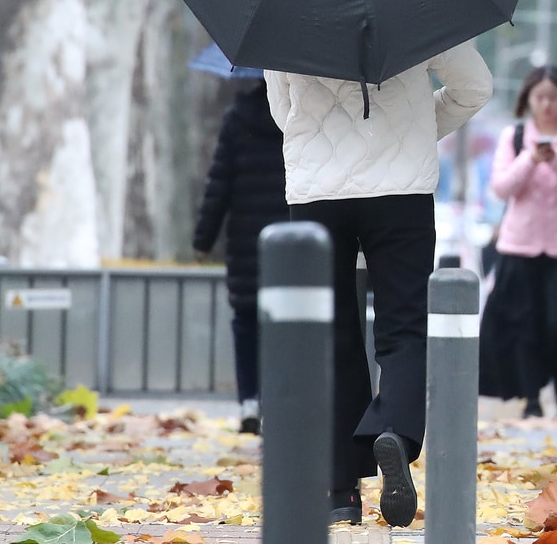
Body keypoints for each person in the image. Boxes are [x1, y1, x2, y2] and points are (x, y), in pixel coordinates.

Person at [266, 42, 492, 529]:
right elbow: (474, 87)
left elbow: (284, 111)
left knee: (328, 336)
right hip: (401, 189)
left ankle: (340, 490)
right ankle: (395, 432)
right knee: (405, 325)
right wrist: (416, 129)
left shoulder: (285, 14)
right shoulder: (420, 4)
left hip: (318, 191)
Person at [478, 65, 557, 418]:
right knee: (524, 326)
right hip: (519, 248)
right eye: (540, 97)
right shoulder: (515, 137)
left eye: (554, 97)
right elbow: (501, 188)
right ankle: (532, 398)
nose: (547, 105)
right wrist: (531, 159)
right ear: (528, 100)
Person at [192, 79, 290, 435]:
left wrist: (203, 239)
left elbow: (219, 183)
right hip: (292, 240)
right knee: (286, 325)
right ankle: (277, 402)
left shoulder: (239, 115)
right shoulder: (300, 114)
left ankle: (249, 400)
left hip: (247, 239)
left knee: (246, 322)